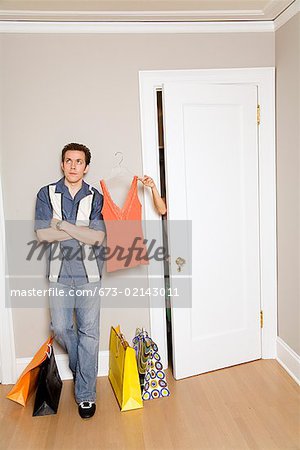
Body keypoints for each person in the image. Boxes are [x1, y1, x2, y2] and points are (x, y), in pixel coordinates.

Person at [34, 143, 105, 419]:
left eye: (79, 161)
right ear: (62, 164)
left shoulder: (95, 196)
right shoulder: (46, 193)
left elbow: (97, 238)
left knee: (90, 333)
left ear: (86, 167)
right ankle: (82, 369)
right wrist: (80, 230)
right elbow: (42, 235)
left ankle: (86, 395)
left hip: (90, 275)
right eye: (68, 161)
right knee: (61, 327)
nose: (73, 166)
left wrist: (61, 225)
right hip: (59, 275)